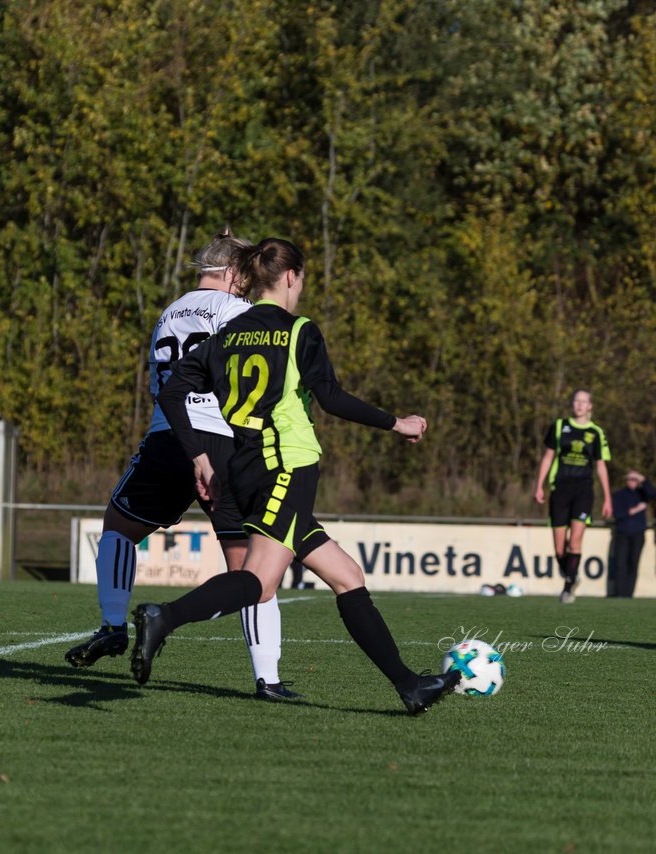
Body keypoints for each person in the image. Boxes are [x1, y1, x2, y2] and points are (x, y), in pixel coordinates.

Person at [133, 237, 458, 715]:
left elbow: (172, 391)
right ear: (290, 277)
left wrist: (200, 456)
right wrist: (398, 423)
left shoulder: (228, 334)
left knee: (347, 575)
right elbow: (330, 397)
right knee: (258, 583)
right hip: (286, 465)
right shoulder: (297, 330)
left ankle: (410, 685)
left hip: (244, 469)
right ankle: (165, 616)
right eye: (302, 279)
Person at [64, 228, 299, 703]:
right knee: (251, 566)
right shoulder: (241, 312)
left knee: (118, 528)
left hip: (169, 435)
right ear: (235, 273)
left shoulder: (169, 312)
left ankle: (112, 625)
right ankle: (267, 678)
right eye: (248, 273)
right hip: (223, 440)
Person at [533, 389, 612, 603]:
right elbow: (548, 458)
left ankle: (568, 587)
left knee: (574, 542)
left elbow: (601, 466)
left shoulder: (596, 433)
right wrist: (539, 485)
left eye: (583, 401)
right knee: (560, 548)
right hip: (560, 489)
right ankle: (571, 574)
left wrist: (608, 498)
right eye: (576, 401)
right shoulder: (559, 427)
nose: (579, 405)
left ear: (590, 406)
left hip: (583, 491)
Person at [609, 469, 656, 598]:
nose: (632, 482)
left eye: (635, 480)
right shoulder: (618, 495)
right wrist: (634, 510)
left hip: (637, 533)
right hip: (623, 533)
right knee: (620, 563)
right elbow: (617, 513)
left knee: (633, 563)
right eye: (630, 479)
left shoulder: (642, 494)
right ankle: (619, 592)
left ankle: (628, 593)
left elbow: (653, 493)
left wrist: (643, 478)